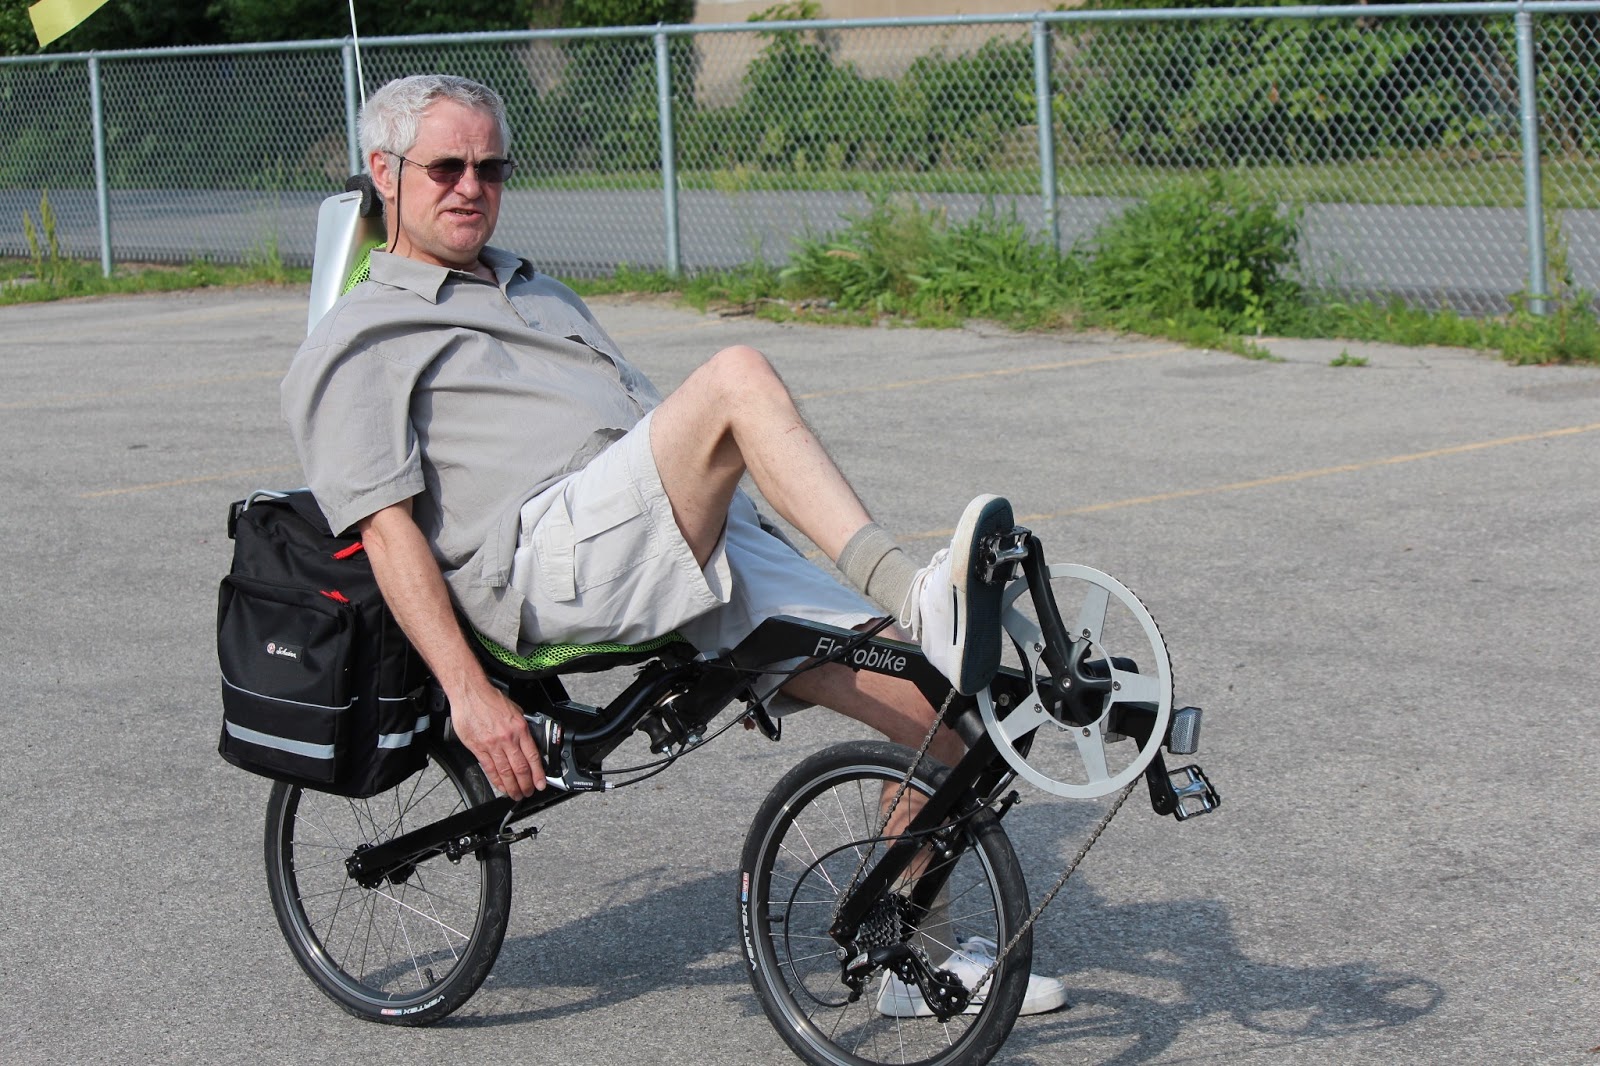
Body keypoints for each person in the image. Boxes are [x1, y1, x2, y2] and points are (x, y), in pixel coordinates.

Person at [281, 74, 1066, 1017]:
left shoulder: (537, 287)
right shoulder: (362, 333)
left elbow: (664, 441)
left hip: (676, 530)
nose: (471, 187)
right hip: (548, 565)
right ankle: (913, 588)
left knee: (952, 709)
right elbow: (386, 530)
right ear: (385, 172)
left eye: (491, 167)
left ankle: (900, 949)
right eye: (447, 166)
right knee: (736, 377)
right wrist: (471, 695)